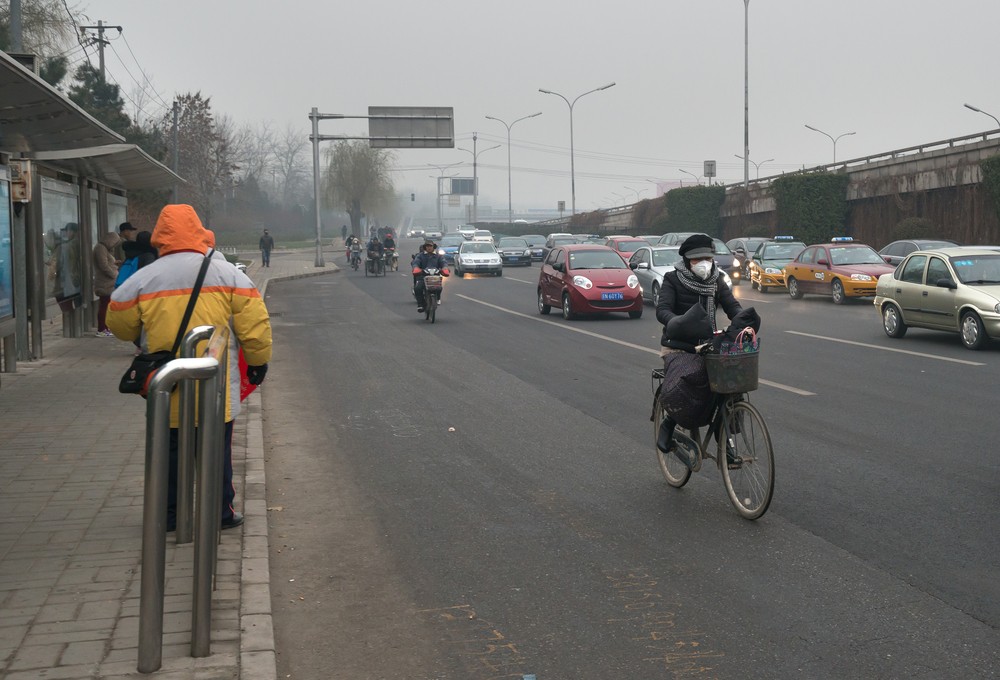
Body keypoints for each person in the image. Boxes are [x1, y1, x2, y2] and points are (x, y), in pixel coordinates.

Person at [107, 204, 272, 532]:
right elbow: (255, 323)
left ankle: (170, 516)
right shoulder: (227, 273)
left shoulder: (147, 276)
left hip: (167, 386)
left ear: (160, 236)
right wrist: (257, 362)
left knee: (169, 454)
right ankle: (220, 512)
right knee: (216, 452)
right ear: (198, 231)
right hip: (215, 384)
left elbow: (119, 323)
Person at [654, 233, 744, 465]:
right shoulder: (672, 279)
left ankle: (726, 441)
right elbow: (662, 309)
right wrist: (676, 322)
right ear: (686, 260)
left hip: (708, 344)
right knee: (692, 376)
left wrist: (745, 322)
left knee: (732, 383)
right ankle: (669, 423)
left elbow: (733, 307)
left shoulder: (717, 280)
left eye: (707, 258)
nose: (703, 263)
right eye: (697, 259)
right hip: (679, 347)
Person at [92, 231, 121, 337]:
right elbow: (103, 265)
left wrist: (114, 263)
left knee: (106, 305)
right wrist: (114, 274)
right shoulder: (101, 248)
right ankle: (101, 329)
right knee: (104, 305)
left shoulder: (103, 249)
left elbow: (106, 263)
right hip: (105, 283)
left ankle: (105, 328)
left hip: (107, 282)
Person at [411, 239, 449, 313]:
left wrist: (445, 268)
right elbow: (415, 263)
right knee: (417, 288)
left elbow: (444, 263)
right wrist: (416, 268)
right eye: (427, 246)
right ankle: (420, 304)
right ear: (425, 247)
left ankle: (437, 298)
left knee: (439, 287)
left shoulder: (438, 256)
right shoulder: (420, 256)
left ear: (433, 247)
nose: (429, 247)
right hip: (422, 276)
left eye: (430, 246)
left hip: (435, 277)